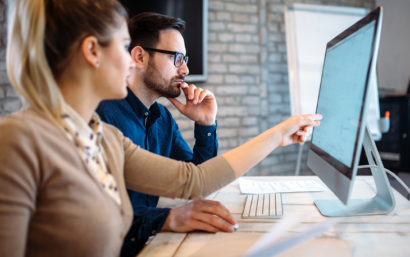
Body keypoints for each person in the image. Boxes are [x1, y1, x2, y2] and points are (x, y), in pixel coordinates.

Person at [0, 0, 321, 257]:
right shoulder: (18, 141)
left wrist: (274, 133)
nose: (129, 61)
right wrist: (165, 219)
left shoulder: (102, 137)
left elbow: (194, 180)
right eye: (124, 47)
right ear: (93, 52)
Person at [96, 12, 225, 255]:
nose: (186, 69)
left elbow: (199, 182)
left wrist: (206, 125)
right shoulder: (102, 116)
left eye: (184, 59)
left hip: (150, 246)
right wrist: (166, 218)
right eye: (177, 58)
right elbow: (99, 214)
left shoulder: (162, 118)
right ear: (139, 56)